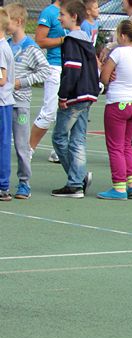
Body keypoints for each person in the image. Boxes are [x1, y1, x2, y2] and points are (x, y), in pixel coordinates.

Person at [50, 0, 99, 198]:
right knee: (78, 139)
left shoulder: (71, 41)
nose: (59, 17)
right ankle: (77, 180)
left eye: (62, 14)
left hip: (75, 95)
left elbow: (72, 69)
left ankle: (76, 181)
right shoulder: (86, 39)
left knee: (59, 137)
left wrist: (63, 95)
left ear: (74, 17)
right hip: (87, 94)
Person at [97, 19, 132, 200]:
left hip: (118, 102)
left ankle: (119, 186)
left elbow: (104, 78)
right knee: (127, 144)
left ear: (123, 35)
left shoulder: (119, 52)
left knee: (115, 146)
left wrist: (105, 70)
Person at [5, 2, 51, 200]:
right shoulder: (5, 45)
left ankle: (24, 182)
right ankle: (3, 181)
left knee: (22, 145)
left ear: (19, 21)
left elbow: (45, 71)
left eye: (8, 22)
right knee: (3, 144)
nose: (5, 26)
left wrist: (21, 82)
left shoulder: (31, 48)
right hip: (4, 102)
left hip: (20, 104)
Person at [30, 0, 65, 164]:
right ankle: (28, 149)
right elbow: (39, 40)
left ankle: (58, 150)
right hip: (54, 67)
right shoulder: (50, 12)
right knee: (49, 111)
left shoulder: (74, 12)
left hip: (70, 68)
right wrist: (63, 40)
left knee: (66, 111)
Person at [0, 6, 13, 201]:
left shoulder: (1, 48)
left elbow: (2, 78)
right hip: (4, 102)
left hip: (2, 102)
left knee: (3, 144)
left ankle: (3, 184)